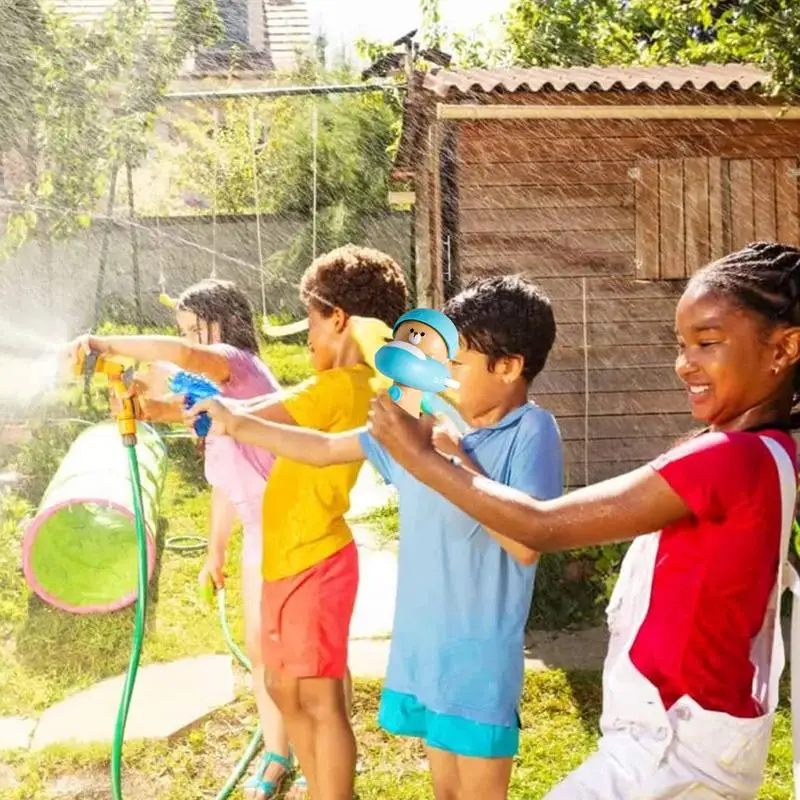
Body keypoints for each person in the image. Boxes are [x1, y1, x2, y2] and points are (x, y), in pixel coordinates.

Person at [367, 242, 800, 800]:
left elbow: (540, 526)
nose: (684, 363)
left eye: (708, 343)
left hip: (671, 749)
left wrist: (425, 459)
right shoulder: (771, 452)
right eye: (682, 344)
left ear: (785, 348)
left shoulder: (727, 459)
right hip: (693, 739)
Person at [187, 274, 564, 800]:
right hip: (425, 650)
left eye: (457, 365)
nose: (444, 376)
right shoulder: (426, 423)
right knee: (445, 794)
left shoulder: (530, 432)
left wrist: (456, 461)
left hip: (478, 666)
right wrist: (236, 424)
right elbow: (322, 448)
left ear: (508, 367)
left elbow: (527, 540)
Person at [63, 279, 293, 800]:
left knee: (292, 654)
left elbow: (184, 357)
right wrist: (215, 552)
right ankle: (279, 752)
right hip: (261, 531)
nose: (189, 340)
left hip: (293, 527)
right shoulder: (211, 397)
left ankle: (317, 741)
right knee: (261, 651)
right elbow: (225, 477)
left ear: (226, 325)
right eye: (183, 330)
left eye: (196, 329)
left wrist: (103, 344)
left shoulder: (237, 364)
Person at [193, 246, 406, 800]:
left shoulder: (341, 384)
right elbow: (249, 416)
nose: (307, 336)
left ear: (338, 319)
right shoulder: (341, 385)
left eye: (310, 320)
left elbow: (258, 415)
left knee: (317, 699)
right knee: (285, 690)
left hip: (313, 558)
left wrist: (198, 409)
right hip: (290, 558)